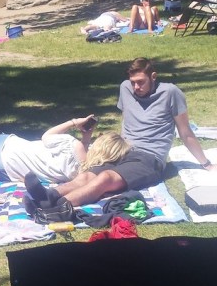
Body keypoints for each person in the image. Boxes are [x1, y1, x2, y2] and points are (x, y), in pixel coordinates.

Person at [26, 57, 217, 210]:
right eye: (133, 82)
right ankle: (48, 196)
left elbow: (185, 132)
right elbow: (128, 119)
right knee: (86, 176)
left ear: (153, 76)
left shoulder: (171, 93)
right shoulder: (125, 88)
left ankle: (55, 208)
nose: (136, 88)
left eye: (141, 82)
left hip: (150, 158)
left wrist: (206, 164)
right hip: (123, 151)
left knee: (105, 179)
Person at [0, 115, 131, 183]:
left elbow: (47, 136)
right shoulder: (86, 174)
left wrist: (73, 123)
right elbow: (82, 157)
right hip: (7, 170)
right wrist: (86, 139)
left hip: (4, 147)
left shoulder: (73, 145)